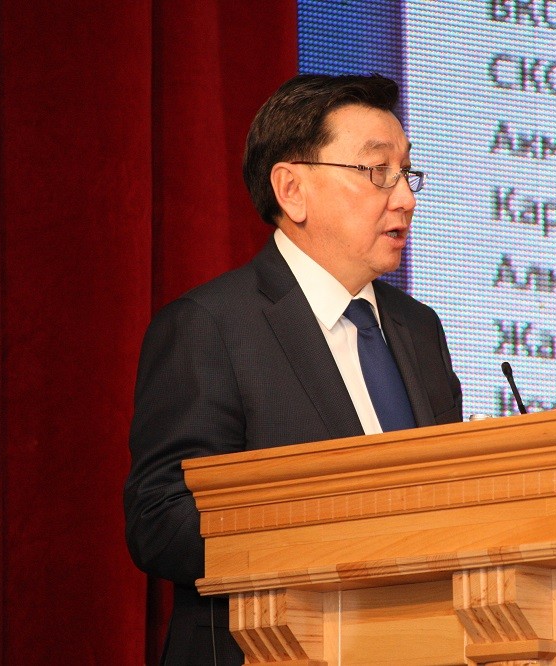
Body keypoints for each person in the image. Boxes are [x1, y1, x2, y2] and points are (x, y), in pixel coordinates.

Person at [123, 74, 463, 666]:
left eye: (407, 173)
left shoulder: (418, 328)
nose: (405, 198)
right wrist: (335, 534)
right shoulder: (212, 325)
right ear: (292, 190)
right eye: (377, 171)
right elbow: (161, 520)